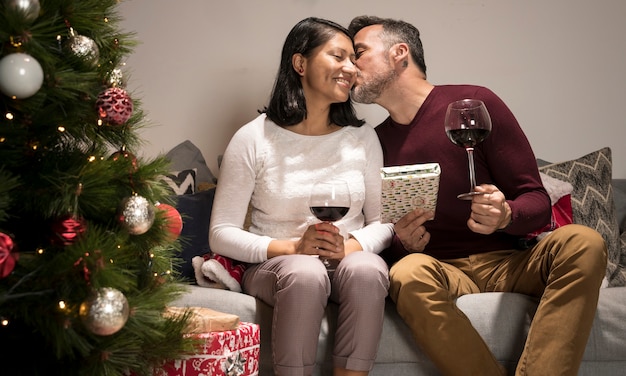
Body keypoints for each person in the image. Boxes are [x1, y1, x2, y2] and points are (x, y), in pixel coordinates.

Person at [347, 15, 607, 376]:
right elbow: (386, 240)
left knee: (585, 241)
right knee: (405, 273)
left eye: (358, 52)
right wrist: (404, 243)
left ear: (399, 53)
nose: (350, 64)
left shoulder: (473, 105)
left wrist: (506, 214)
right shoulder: (374, 142)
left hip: (510, 262)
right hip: (439, 269)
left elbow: (536, 200)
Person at [209, 17, 394, 376]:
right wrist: (293, 248)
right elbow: (221, 232)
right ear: (300, 64)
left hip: (346, 262)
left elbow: (383, 223)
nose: (350, 68)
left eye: (353, 60)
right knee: (306, 272)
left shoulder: (362, 138)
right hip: (279, 266)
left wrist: (348, 248)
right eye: (338, 57)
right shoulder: (254, 138)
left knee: (369, 269)